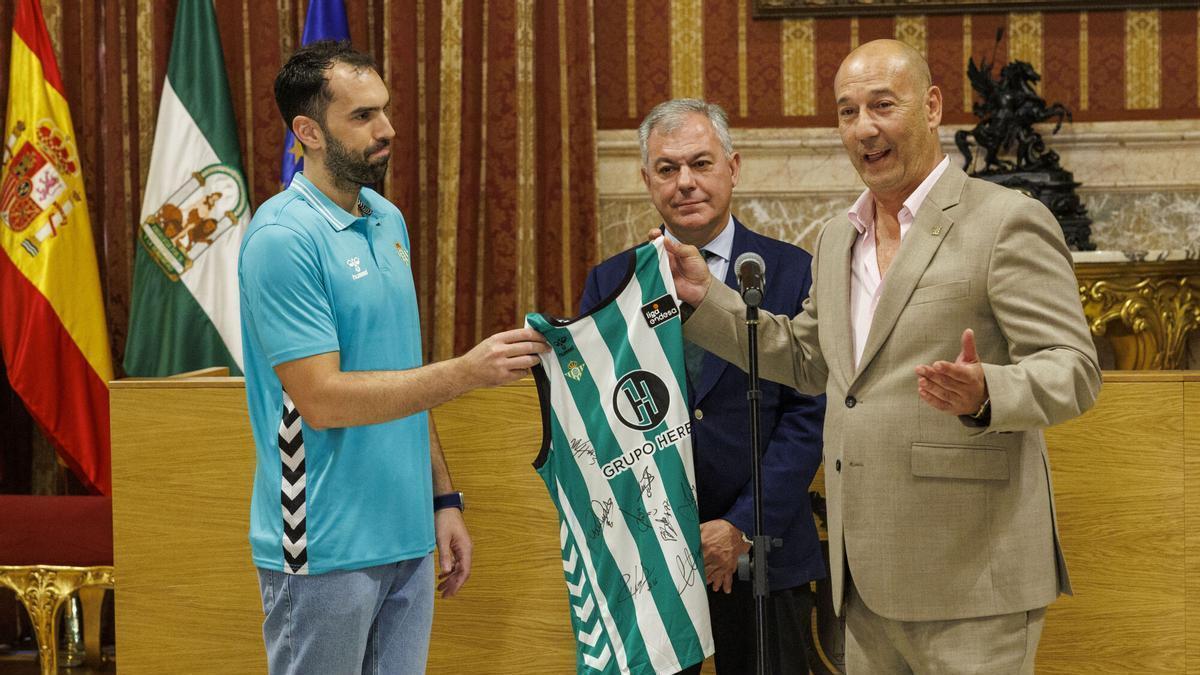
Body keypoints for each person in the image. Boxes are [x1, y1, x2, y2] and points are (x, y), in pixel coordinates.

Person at [657, 41, 1101, 674]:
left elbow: (1074, 368)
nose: (863, 127)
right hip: (862, 581)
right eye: (846, 111)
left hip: (970, 578)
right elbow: (811, 358)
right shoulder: (839, 236)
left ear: (930, 106)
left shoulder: (1006, 221)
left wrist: (989, 393)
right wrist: (708, 301)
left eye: (881, 106)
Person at [238, 40, 547, 674]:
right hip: (324, 544)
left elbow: (400, 374)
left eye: (385, 109)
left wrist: (443, 501)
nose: (388, 129)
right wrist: (465, 373)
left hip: (405, 534)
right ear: (308, 132)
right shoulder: (281, 238)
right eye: (362, 116)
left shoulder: (387, 219)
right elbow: (322, 400)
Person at [580, 99, 827, 674]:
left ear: (733, 168)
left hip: (766, 556)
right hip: (652, 562)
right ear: (647, 180)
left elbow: (807, 417)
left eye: (701, 163)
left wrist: (740, 526)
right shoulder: (612, 280)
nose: (685, 182)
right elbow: (601, 419)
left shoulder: (791, 271)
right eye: (667, 169)